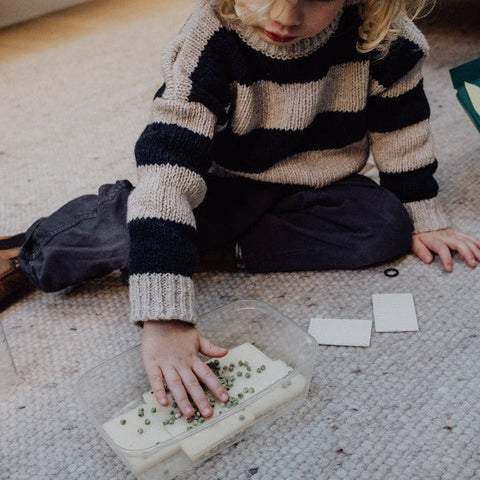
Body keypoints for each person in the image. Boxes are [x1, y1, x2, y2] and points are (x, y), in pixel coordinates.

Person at [2, 0, 480, 420]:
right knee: (133, 230)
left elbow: (403, 132)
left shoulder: (388, 39)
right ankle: (31, 249)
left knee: (384, 227)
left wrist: (423, 212)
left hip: (318, 184)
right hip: (218, 185)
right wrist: (165, 317)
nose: (284, 16)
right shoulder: (209, 38)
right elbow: (169, 173)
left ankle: (191, 249)